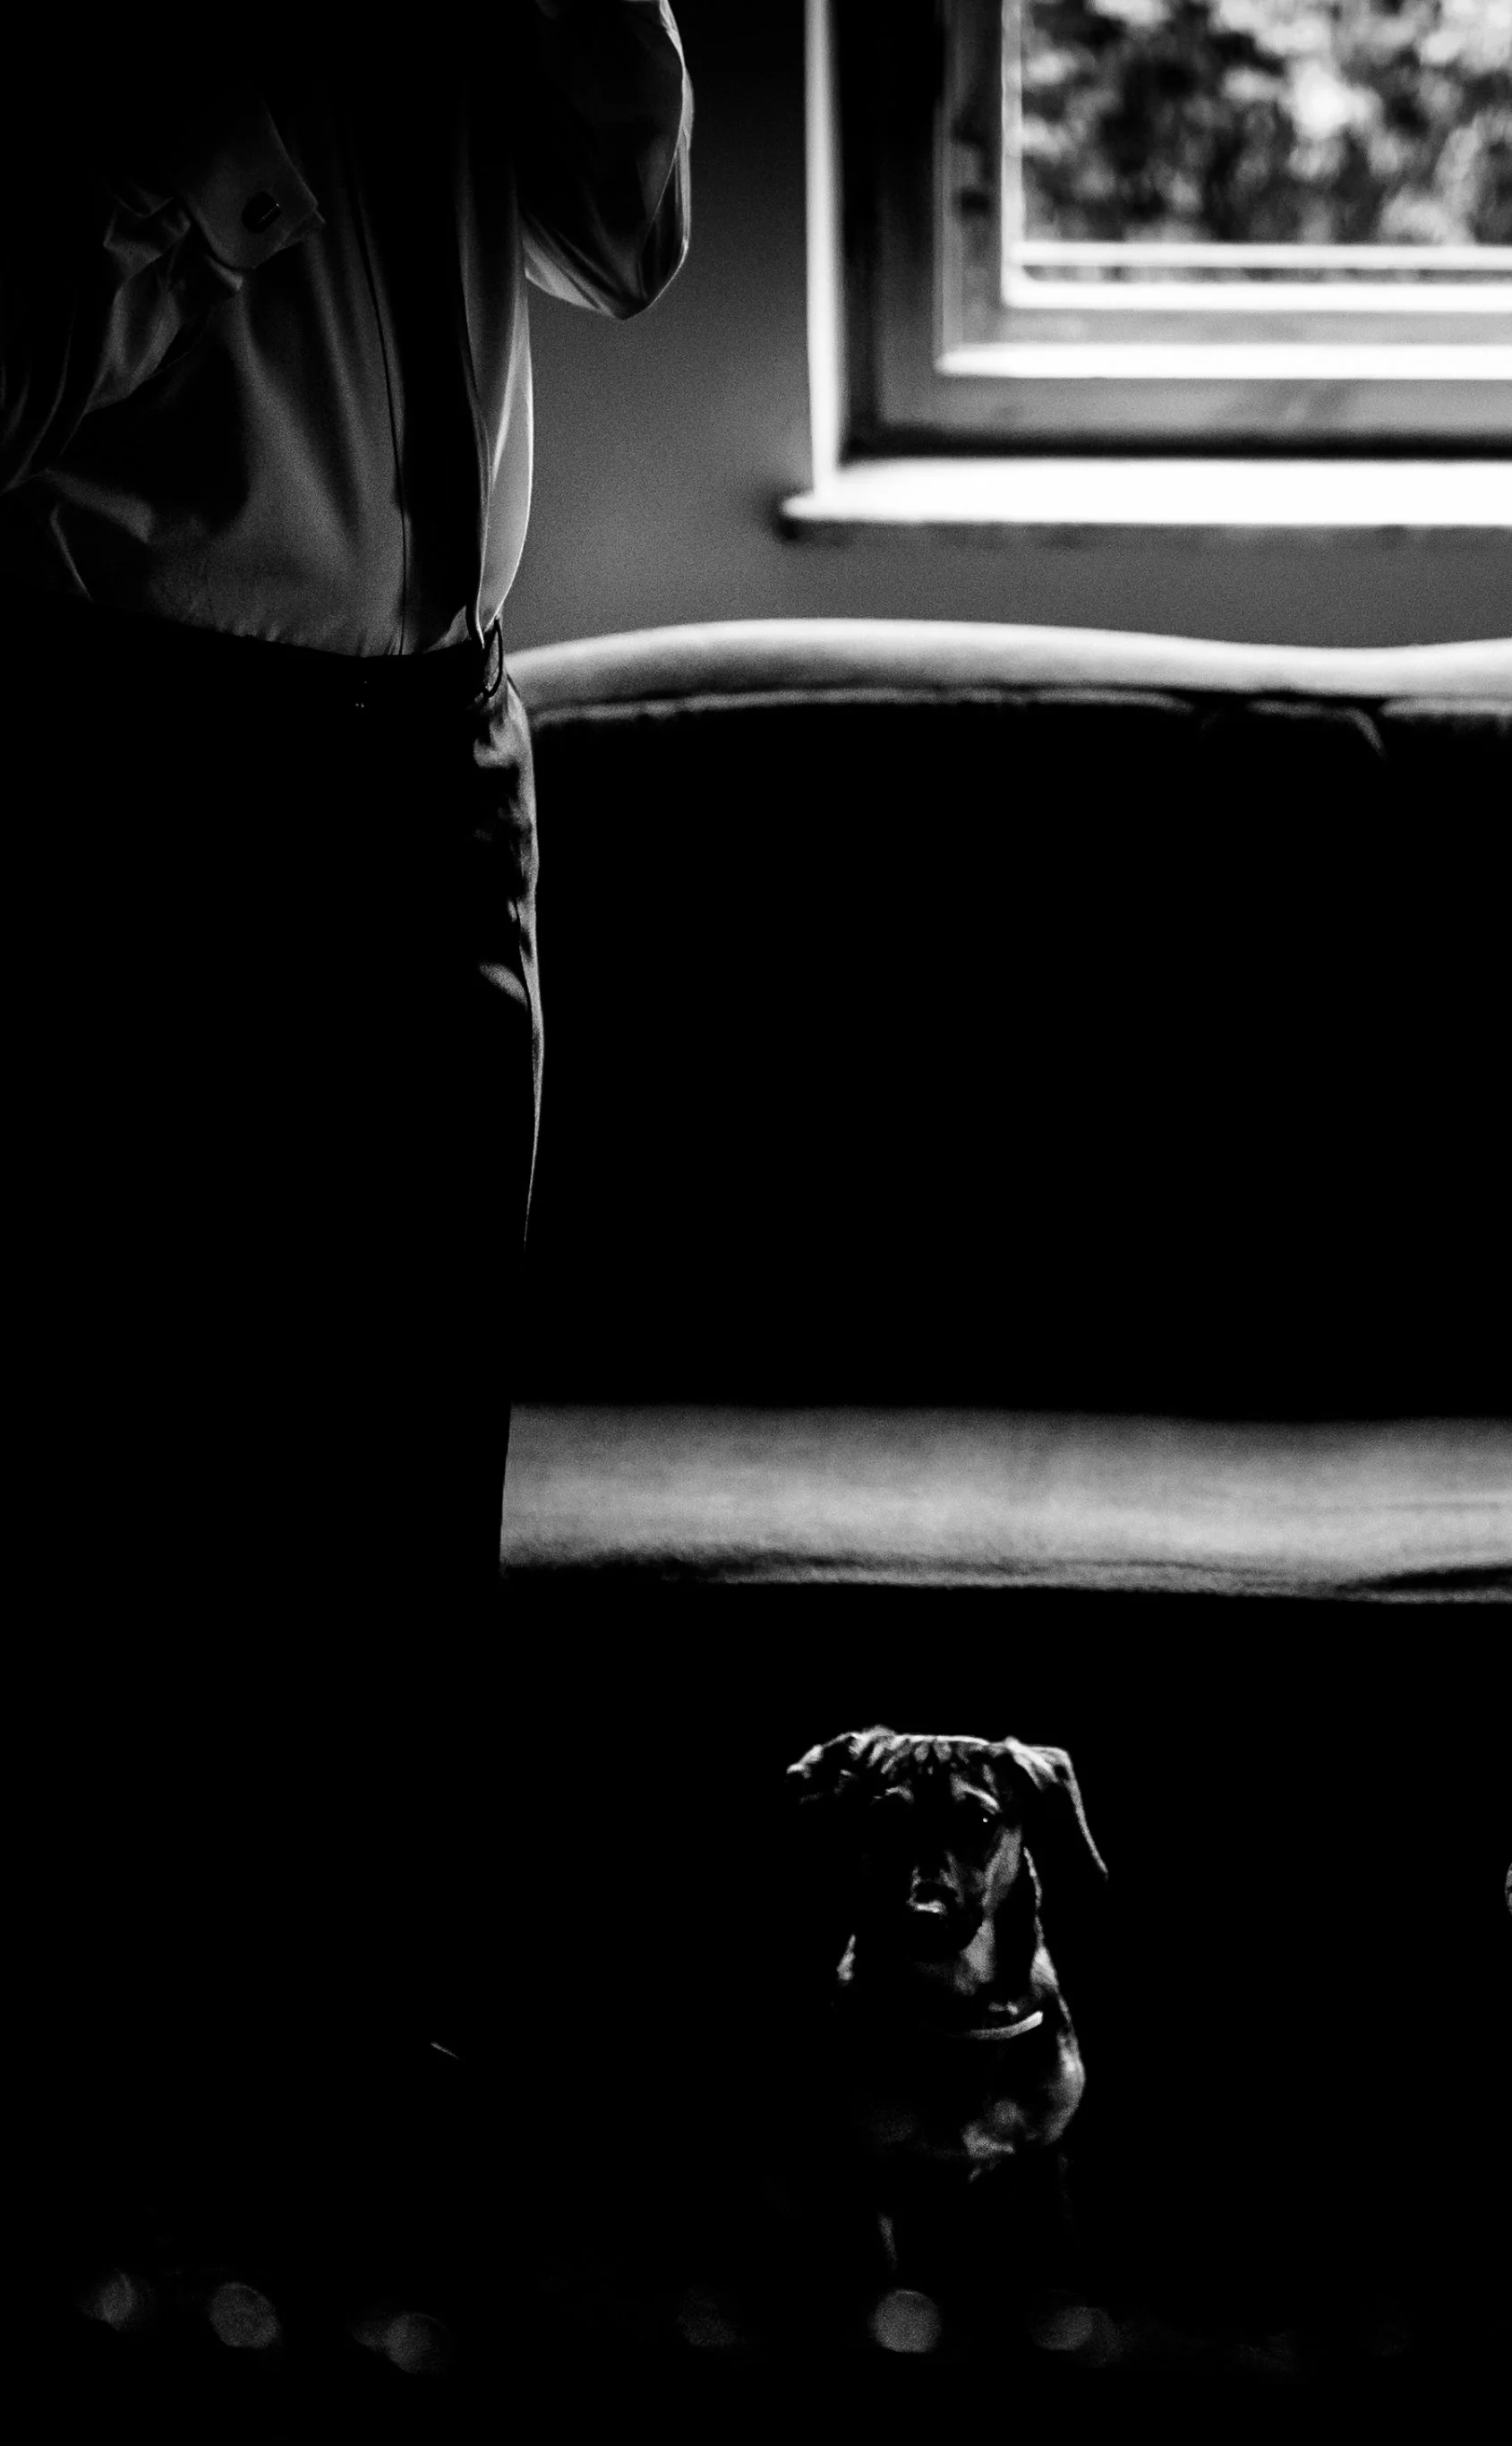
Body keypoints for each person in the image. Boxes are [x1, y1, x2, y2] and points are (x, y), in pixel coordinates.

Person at [5, 0, 691, 2327]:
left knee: (415, 1451)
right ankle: (160, 2169)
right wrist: (227, 115)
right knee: (173, 1482)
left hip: (451, 754)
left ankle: (375, 2093)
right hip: (153, 772)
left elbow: (624, 246)